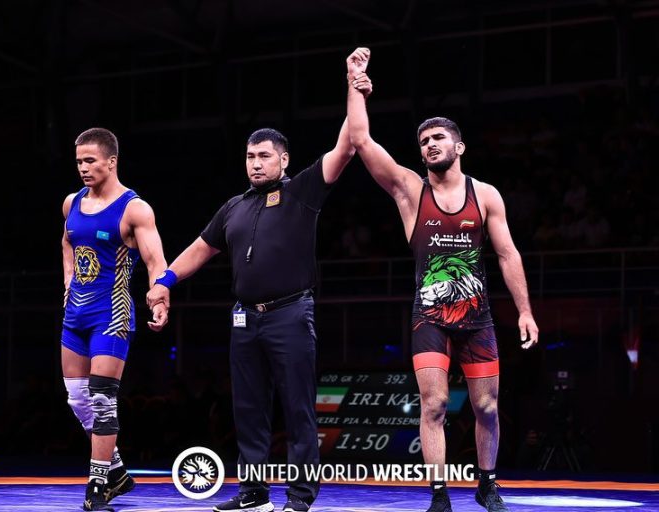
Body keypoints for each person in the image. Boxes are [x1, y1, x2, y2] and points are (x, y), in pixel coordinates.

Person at [146, 51, 372, 512]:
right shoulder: (233, 206)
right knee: (248, 408)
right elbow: (199, 249)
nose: (255, 163)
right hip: (245, 319)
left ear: (283, 159)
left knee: (297, 407)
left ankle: (300, 497)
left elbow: (349, 145)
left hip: (291, 313)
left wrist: (354, 86)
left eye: (264, 156)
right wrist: (165, 279)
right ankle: (253, 492)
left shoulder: (302, 190)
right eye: (250, 156)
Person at [346, 50, 539, 512]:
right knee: (433, 405)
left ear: (459, 147)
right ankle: (439, 494)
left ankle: (487, 484)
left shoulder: (485, 195)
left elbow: (508, 254)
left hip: (478, 318)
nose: (430, 145)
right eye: (424, 141)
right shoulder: (411, 191)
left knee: (486, 407)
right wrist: (355, 86)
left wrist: (525, 311)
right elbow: (360, 140)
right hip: (429, 317)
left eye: (438, 138)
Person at [61, 127, 169, 511]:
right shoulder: (71, 203)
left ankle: (98, 484)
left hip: (112, 314)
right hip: (75, 314)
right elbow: (67, 241)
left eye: (90, 161)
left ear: (111, 161)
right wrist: (68, 282)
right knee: (78, 399)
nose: (83, 168)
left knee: (102, 399)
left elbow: (155, 260)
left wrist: (160, 297)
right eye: (79, 161)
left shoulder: (134, 209)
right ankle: (118, 472)